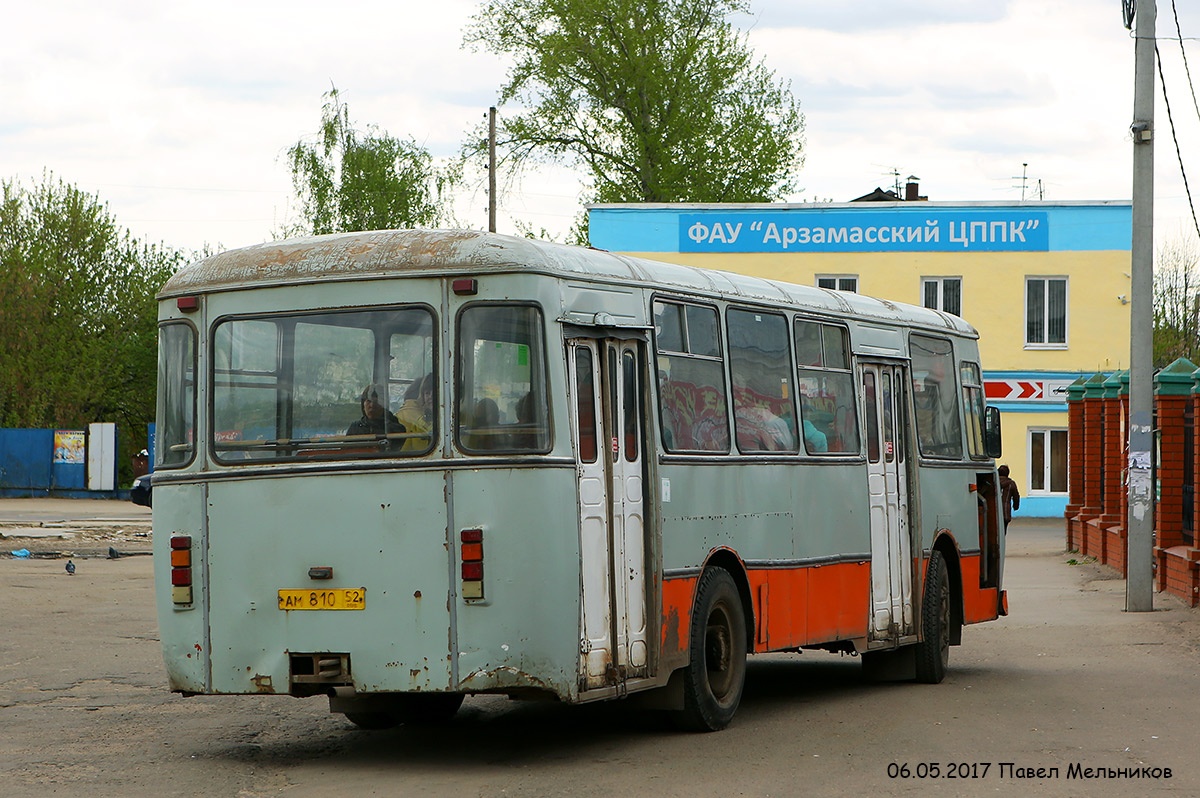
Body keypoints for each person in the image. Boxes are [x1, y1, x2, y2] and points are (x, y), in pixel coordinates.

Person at [395, 374, 433, 451]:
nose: (431, 397)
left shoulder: (454, 420)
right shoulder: (417, 423)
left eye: (436, 392)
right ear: (421, 397)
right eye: (427, 393)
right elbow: (405, 453)